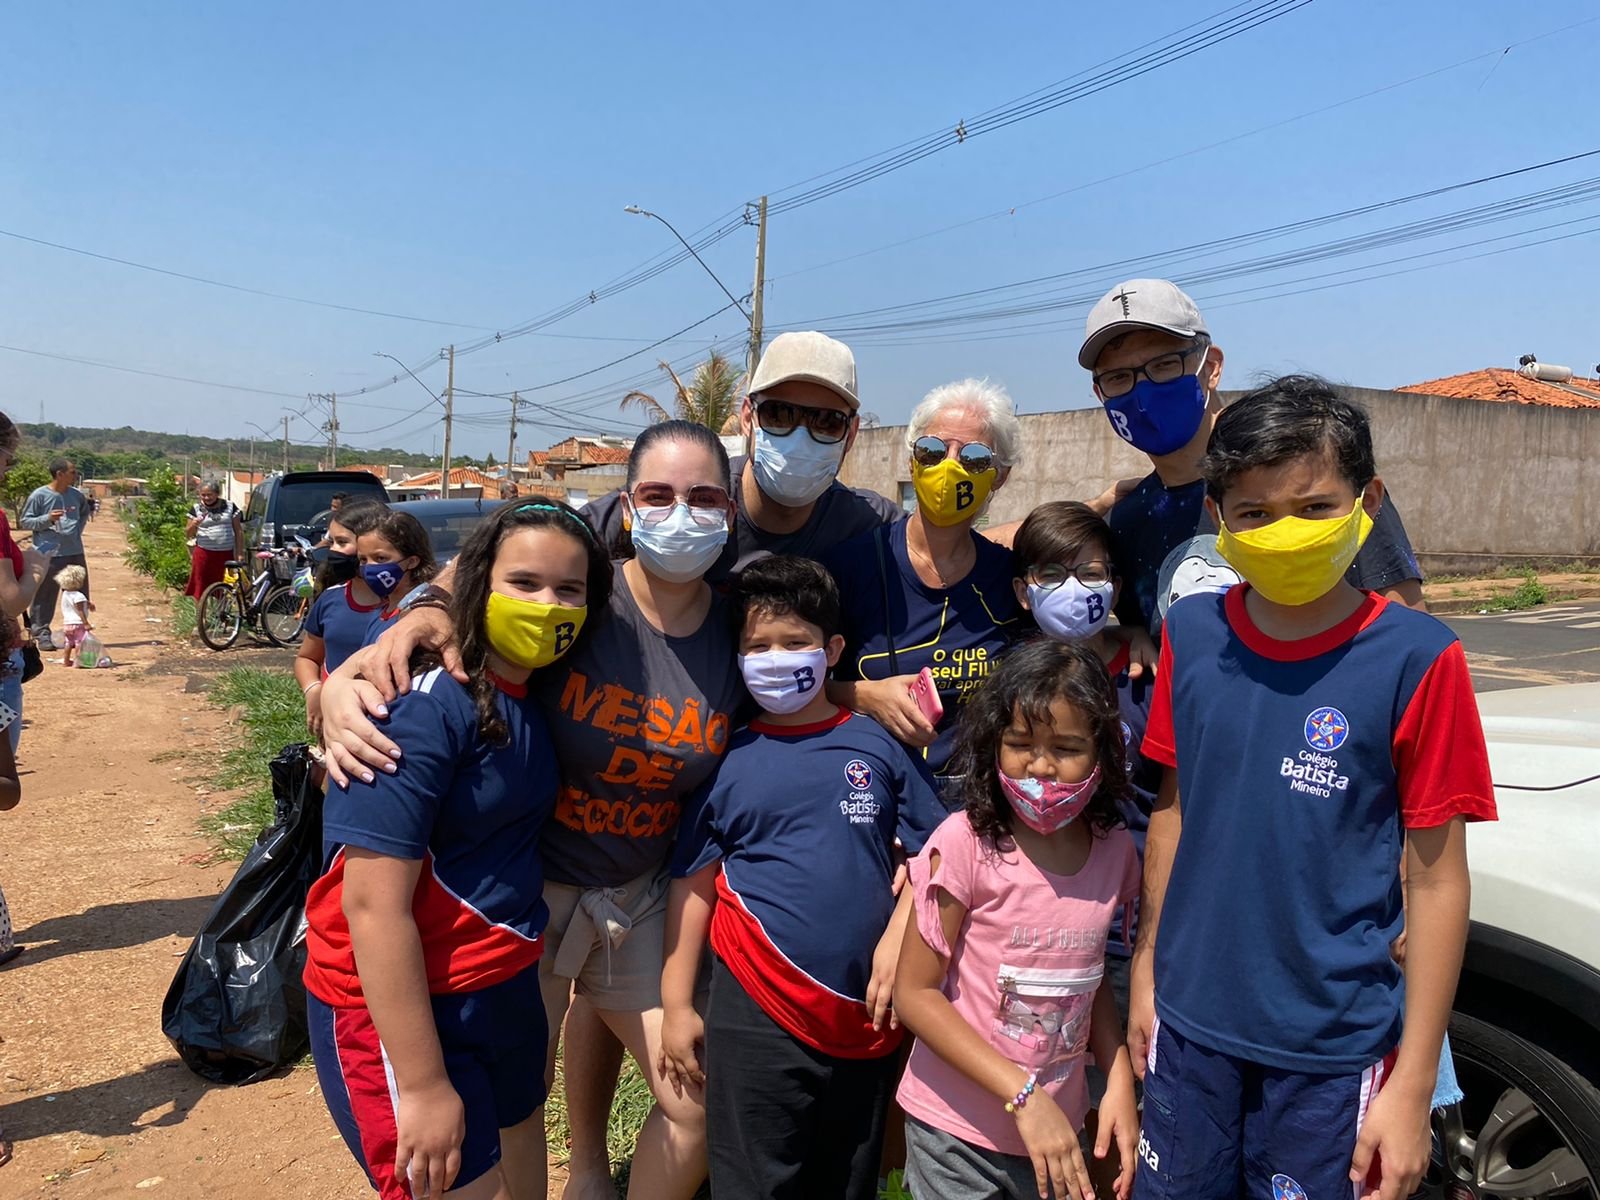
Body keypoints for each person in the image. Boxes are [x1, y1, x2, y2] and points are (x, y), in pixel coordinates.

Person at [320, 421, 747, 1200]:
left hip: (623, 899)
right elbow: (493, 574)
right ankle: (581, 1170)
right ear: (627, 506)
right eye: (657, 494)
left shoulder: (732, 626)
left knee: (653, 1102)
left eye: (704, 496)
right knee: (492, 1133)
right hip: (524, 903)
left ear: (730, 508)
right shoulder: (585, 602)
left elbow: (807, 668)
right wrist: (386, 648)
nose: (681, 512)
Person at [1128, 376, 1497, 1200]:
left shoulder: (1420, 658)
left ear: (1368, 502)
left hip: (1332, 1048)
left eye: (1314, 506)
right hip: (1189, 1027)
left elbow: (1438, 879)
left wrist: (1412, 1086)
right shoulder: (1192, 632)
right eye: (1255, 513)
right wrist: (1147, 966)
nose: (1284, 531)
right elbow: (1174, 812)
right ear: (1218, 516)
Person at [303, 498, 612, 1200]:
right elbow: (371, 908)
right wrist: (421, 1084)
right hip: (400, 1010)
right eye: (524, 583)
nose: (547, 606)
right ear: (477, 583)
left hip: (501, 982)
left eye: (569, 589)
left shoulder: (530, 693)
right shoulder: (415, 706)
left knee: (522, 1153)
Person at [659, 555, 943, 1200]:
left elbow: (941, 851)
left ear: (832, 650)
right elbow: (692, 885)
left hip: (867, 1015)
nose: (776, 659)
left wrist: (901, 934)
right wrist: (676, 1004)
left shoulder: (877, 745)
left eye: (795, 642)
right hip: (754, 1010)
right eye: (758, 646)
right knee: (754, 1181)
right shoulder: (725, 758)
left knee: (846, 1180)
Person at [893, 638, 1141, 1200]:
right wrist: (1025, 1097)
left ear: (1103, 753)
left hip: (1058, 1134)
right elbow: (915, 993)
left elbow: (1090, 978)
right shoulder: (964, 843)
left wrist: (1116, 1076)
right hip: (955, 1136)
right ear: (993, 743)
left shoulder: (1114, 852)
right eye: (1020, 743)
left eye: (1067, 747)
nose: (1041, 765)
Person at [1076, 279, 1426, 632]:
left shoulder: (1312, 479)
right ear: (1100, 393)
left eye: (1164, 365)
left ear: (1212, 366)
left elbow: (1406, 636)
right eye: (1118, 377)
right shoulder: (1126, 521)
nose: (1143, 391)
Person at [582, 331, 901, 583]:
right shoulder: (698, 498)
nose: (800, 437)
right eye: (779, 414)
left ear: (851, 433)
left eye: (827, 421)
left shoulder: (871, 524)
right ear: (748, 417)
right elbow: (561, 535)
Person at [825, 378, 1024, 779]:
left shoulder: (1010, 579)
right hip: (872, 789)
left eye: (974, 457)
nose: (949, 467)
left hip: (978, 798)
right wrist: (863, 695)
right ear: (912, 461)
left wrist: (1127, 635)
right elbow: (797, 681)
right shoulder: (852, 566)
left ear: (999, 476)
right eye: (932, 450)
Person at [1010, 502, 1160, 1017]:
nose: (1072, 588)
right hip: (1032, 924)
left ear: (1115, 589)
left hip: (1125, 931)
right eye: (1052, 574)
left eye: (1090, 573)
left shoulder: (1149, 679)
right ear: (1023, 592)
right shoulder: (1008, 680)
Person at [297, 503, 431, 737]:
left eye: (380, 558)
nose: (371, 568)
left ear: (412, 561)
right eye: (364, 560)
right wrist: (317, 691)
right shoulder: (372, 610)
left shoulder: (420, 613)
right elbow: (308, 657)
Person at [21, 457, 89, 650]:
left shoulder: (76, 496)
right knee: (45, 596)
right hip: (49, 553)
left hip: (74, 551)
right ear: (60, 474)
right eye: (72, 472)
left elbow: (84, 513)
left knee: (79, 594)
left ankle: (78, 633)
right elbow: (26, 521)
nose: (75, 475)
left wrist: (76, 531)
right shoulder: (40, 496)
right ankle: (41, 633)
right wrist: (48, 519)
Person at [183, 481, 246, 601]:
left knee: (225, 585)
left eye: (209, 495)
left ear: (217, 494)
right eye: (203, 495)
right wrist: (194, 524)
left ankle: (222, 611)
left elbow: (238, 531)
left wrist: (239, 553)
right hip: (204, 553)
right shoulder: (196, 509)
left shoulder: (230, 507)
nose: (206, 498)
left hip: (226, 554)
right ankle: (201, 612)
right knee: (200, 585)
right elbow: (188, 533)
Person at [55, 564, 93, 668]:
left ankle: (66, 661)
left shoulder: (65, 594)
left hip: (67, 623)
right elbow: (80, 609)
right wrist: (86, 623)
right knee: (79, 642)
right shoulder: (79, 595)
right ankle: (78, 662)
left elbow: (76, 603)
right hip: (78, 623)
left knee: (68, 643)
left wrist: (88, 604)